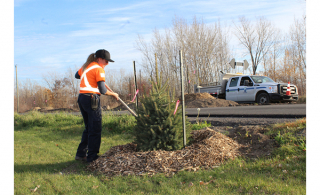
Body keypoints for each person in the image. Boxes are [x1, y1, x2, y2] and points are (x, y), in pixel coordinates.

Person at [74, 49, 119, 163]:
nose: (107, 64)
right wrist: (113, 94)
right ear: (99, 59)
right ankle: (92, 157)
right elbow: (103, 90)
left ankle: (81, 154)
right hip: (91, 99)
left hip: (82, 98)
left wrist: (89, 75)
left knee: (89, 128)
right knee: (95, 128)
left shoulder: (87, 66)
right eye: (106, 61)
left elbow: (77, 75)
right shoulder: (99, 69)